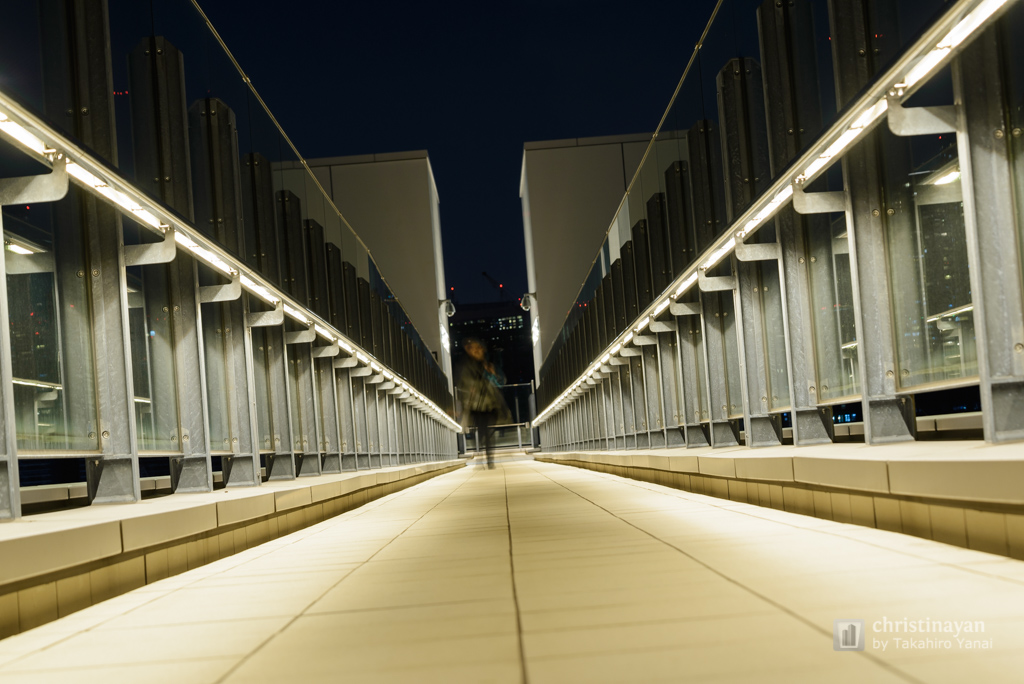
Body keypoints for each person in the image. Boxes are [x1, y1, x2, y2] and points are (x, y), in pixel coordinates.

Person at [455, 338, 511, 469]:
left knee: (487, 431)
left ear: (483, 349)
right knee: (482, 431)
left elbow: (501, 382)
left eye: (478, 348)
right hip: (476, 406)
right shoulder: (465, 367)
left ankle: (488, 457)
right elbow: (463, 386)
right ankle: (485, 455)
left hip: (491, 405)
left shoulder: (489, 365)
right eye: (472, 348)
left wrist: (492, 373)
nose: (476, 351)